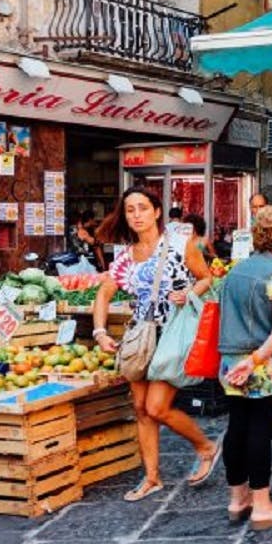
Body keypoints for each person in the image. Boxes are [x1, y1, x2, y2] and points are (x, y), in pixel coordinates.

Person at [92, 187, 221, 502]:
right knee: (141, 409)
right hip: (141, 335)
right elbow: (104, 294)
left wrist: (189, 293)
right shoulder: (123, 255)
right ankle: (152, 478)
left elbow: (206, 278)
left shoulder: (180, 244)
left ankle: (206, 446)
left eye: (143, 208)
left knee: (156, 407)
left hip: (173, 333)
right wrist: (99, 331)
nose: (137, 215)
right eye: (130, 210)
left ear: (157, 212)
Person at [217, 204, 272, 530]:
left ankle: (238, 499)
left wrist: (239, 363)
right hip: (266, 364)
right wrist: (254, 362)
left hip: (229, 360)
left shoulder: (234, 271)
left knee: (236, 428)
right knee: (260, 432)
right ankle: (263, 506)